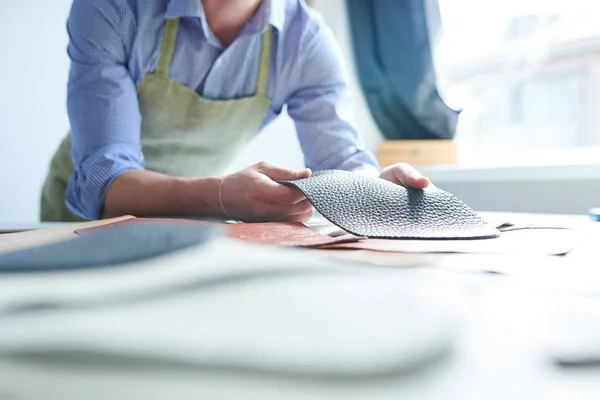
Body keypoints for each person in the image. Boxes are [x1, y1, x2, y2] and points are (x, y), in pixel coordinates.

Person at [40, 0, 431, 223]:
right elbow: (102, 184)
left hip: (193, 221)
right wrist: (223, 196)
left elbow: (343, 164)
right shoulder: (113, 8)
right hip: (82, 221)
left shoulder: (306, 43)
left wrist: (377, 191)